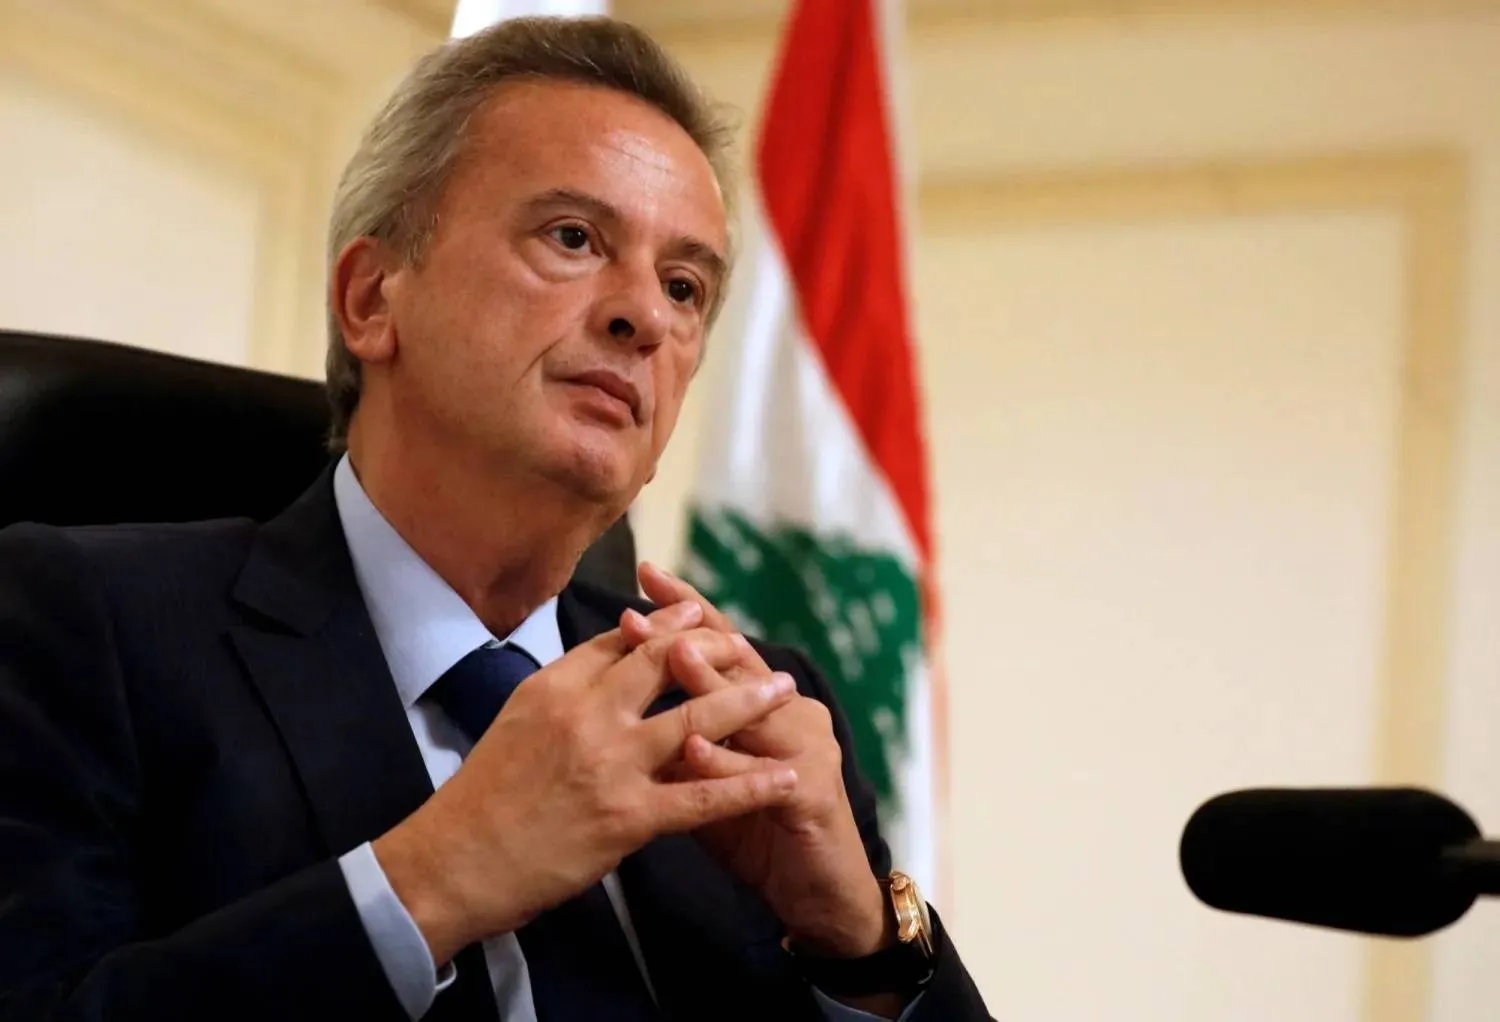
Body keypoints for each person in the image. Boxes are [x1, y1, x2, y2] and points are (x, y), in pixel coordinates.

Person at [0, 16, 991, 1022]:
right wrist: (437, 876)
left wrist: (860, 942)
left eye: (684, 286)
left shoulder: (742, 713)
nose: (646, 317)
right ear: (372, 297)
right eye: (573, 237)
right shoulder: (82, 625)